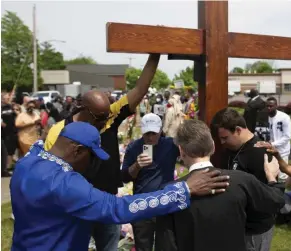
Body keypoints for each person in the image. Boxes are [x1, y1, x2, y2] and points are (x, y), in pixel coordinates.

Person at [10, 122, 230, 251]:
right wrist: (183, 190)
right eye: (92, 156)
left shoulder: (28, 163)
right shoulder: (64, 183)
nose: (93, 164)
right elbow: (116, 208)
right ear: (77, 150)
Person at [44, 54, 163, 251]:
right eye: (100, 118)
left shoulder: (107, 116)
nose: (105, 122)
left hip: (107, 201)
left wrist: (154, 56)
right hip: (77, 204)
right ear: (84, 110)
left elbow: (140, 90)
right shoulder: (59, 131)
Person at [155, 119, 286, 251]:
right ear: (213, 146)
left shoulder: (171, 192)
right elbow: (275, 201)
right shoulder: (241, 181)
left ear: (181, 151)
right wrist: (271, 178)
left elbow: (166, 243)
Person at [210, 108, 279, 251]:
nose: (222, 143)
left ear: (238, 130)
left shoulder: (260, 153)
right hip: (235, 225)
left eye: (225, 138)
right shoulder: (232, 149)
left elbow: (268, 198)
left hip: (254, 229)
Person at [121, 113, 180, 251]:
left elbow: (191, 151)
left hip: (165, 203)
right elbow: (124, 177)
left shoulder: (170, 145)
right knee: (143, 246)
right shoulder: (134, 147)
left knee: (167, 246)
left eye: (154, 133)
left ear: (160, 130)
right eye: (147, 133)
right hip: (142, 205)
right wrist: (137, 165)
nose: (150, 137)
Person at [266, 97, 291, 182]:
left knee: (282, 176)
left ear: (276, 106)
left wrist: (273, 144)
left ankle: (282, 194)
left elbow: (287, 136)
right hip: (270, 151)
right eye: (267, 106)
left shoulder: (284, 117)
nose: (269, 108)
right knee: (271, 175)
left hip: (282, 152)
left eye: (271, 106)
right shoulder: (265, 117)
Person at [2, 93, 18, 175]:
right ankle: (6, 168)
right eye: (6, 98)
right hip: (4, 133)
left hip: (13, 132)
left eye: (9, 98)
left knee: (11, 151)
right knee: (7, 151)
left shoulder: (12, 107)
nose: (8, 99)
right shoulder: (1, 108)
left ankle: (9, 166)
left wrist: (15, 109)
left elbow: (18, 116)